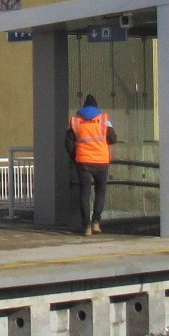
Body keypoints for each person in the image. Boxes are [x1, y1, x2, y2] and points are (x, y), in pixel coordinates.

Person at [68, 95, 115, 235]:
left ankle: (86, 226)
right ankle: (96, 223)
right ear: (96, 106)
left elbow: (68, 143)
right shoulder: (104, 119)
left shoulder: (75, 120)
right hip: (101, 161)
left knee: (85, 193)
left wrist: (75, 156)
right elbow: (113, 138)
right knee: (100, 192)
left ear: (84, 106)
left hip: (83, 161)